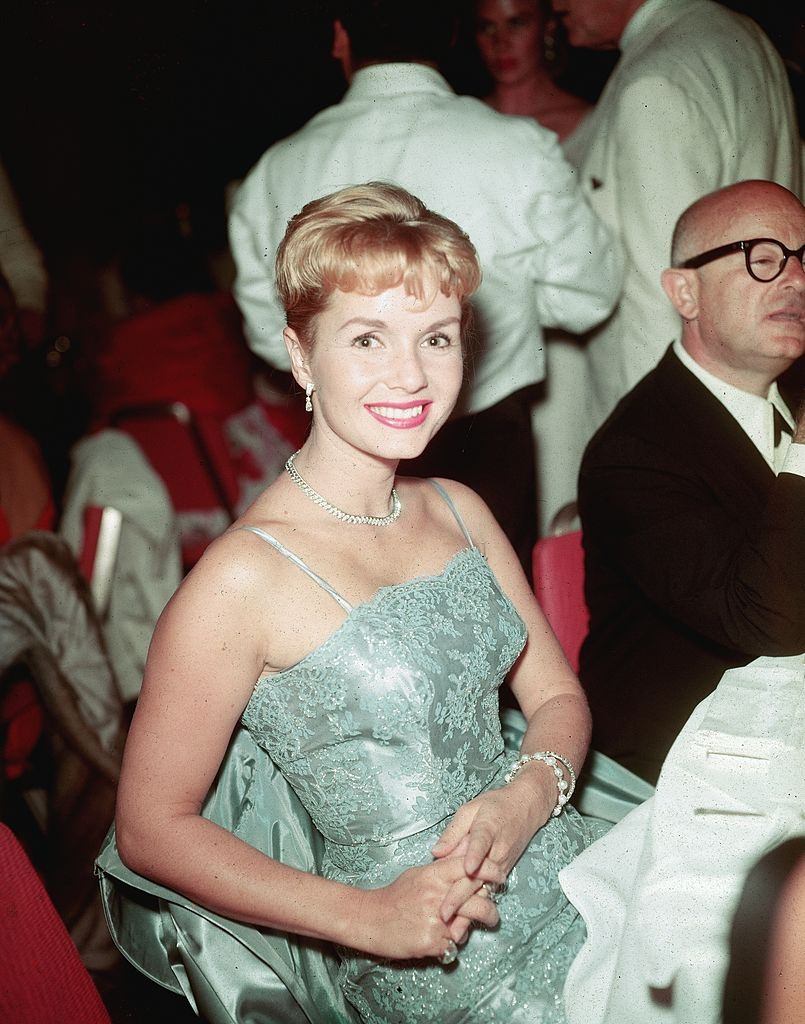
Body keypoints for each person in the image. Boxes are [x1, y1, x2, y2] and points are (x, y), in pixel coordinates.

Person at [98, 183, 607, 1024]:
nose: (410, 375)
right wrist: (368, 917)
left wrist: (524, 799)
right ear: (301, 356)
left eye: (435, 338)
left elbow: (555, 697)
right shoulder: (240, 580)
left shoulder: (457, 508)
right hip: (426, 954)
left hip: (560, 865)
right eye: (367, 338)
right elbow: (151, 827)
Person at [229, 0, 622, 573]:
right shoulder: (517, 145)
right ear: (455, 34)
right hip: (487, 436)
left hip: (344, 442)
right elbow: (592, 293)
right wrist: (506, 303)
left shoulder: (276, 166)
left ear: (341, 38)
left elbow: (270, 330)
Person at [577, 180, 805, 783]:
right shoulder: (632, 452)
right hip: (683, 772)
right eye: (764, 258)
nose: (798, 281)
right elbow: (769, 621)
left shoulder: (795, 397)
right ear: (686, 291)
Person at [551, 0, 802, 437]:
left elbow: (662, 292)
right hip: (751, 403)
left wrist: (652, 445)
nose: (554, 5)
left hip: (678, 424)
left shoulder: (656, 79)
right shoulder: (740, 37)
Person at [473, 0, 589, 140]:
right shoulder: (463, 116)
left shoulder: (588, 122)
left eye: (516, 24)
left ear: (547, 27)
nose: (500, 43)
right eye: (487, 27)